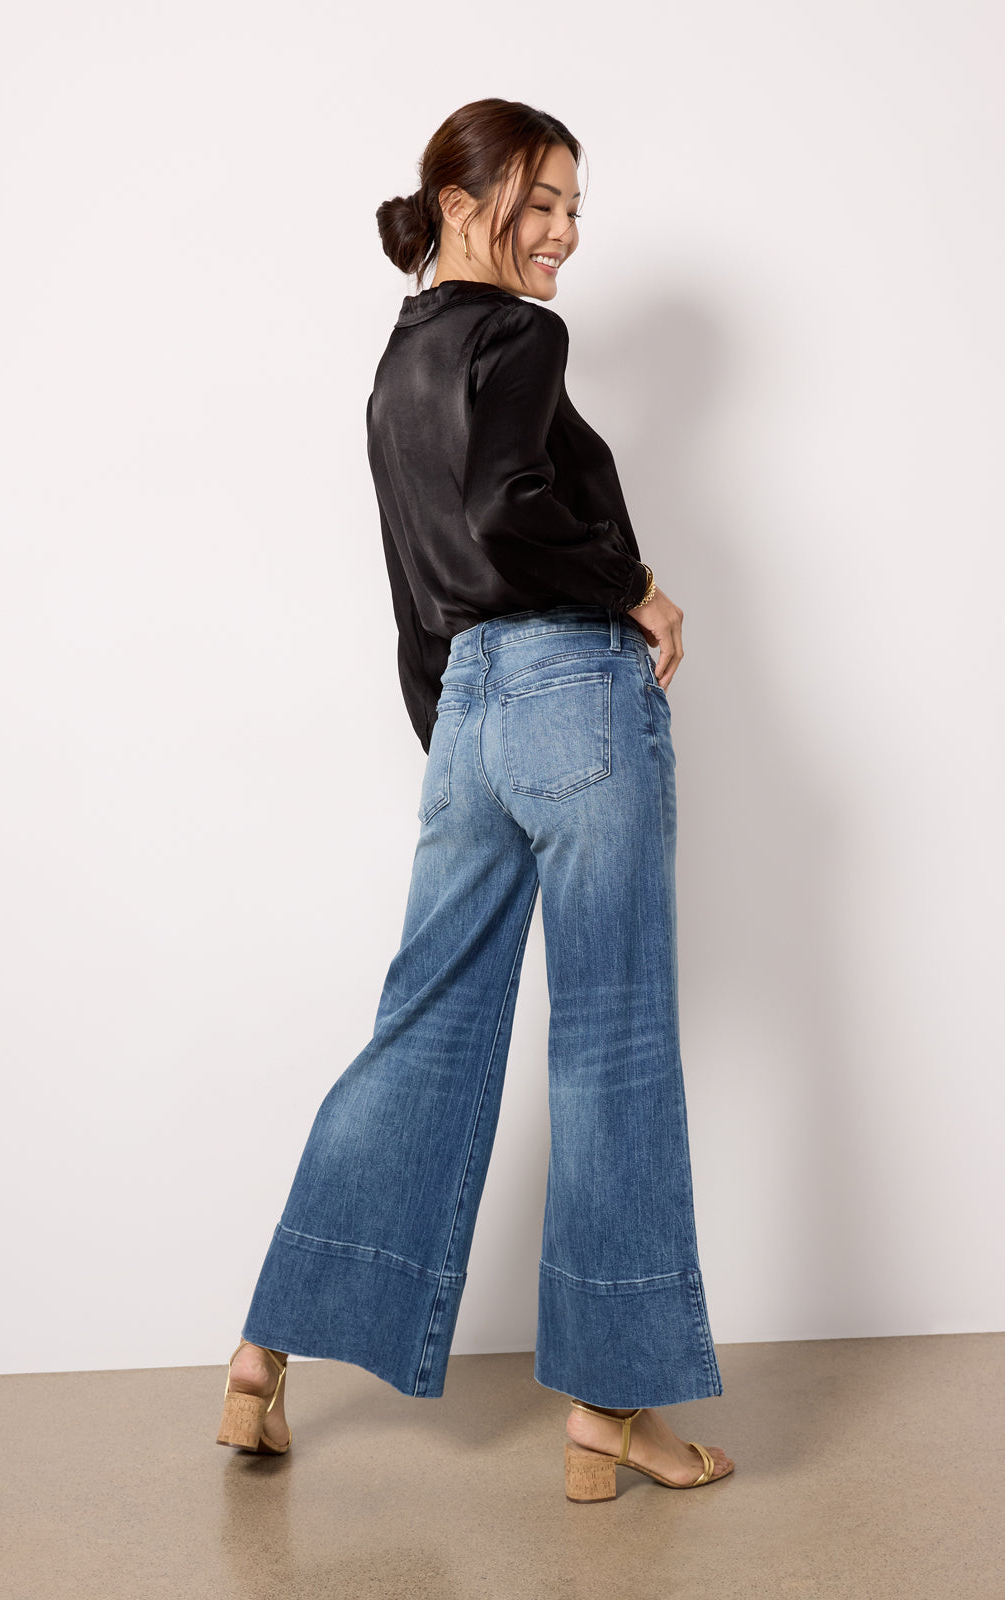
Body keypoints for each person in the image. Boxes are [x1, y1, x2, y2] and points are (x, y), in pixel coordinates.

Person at [216, 97, 734, 1500]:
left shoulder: (397, 364)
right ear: (462, 202)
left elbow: (417, 591)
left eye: (574, 210)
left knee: (426, 1028)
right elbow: (513, 509)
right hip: (573, 691)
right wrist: (639, 589)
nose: (563, 234)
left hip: (466, 716)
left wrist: (465, 744)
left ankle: (263, 1353)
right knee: (613, 1041)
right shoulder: (521, 336)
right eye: (540, 202)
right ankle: (609, 1411)